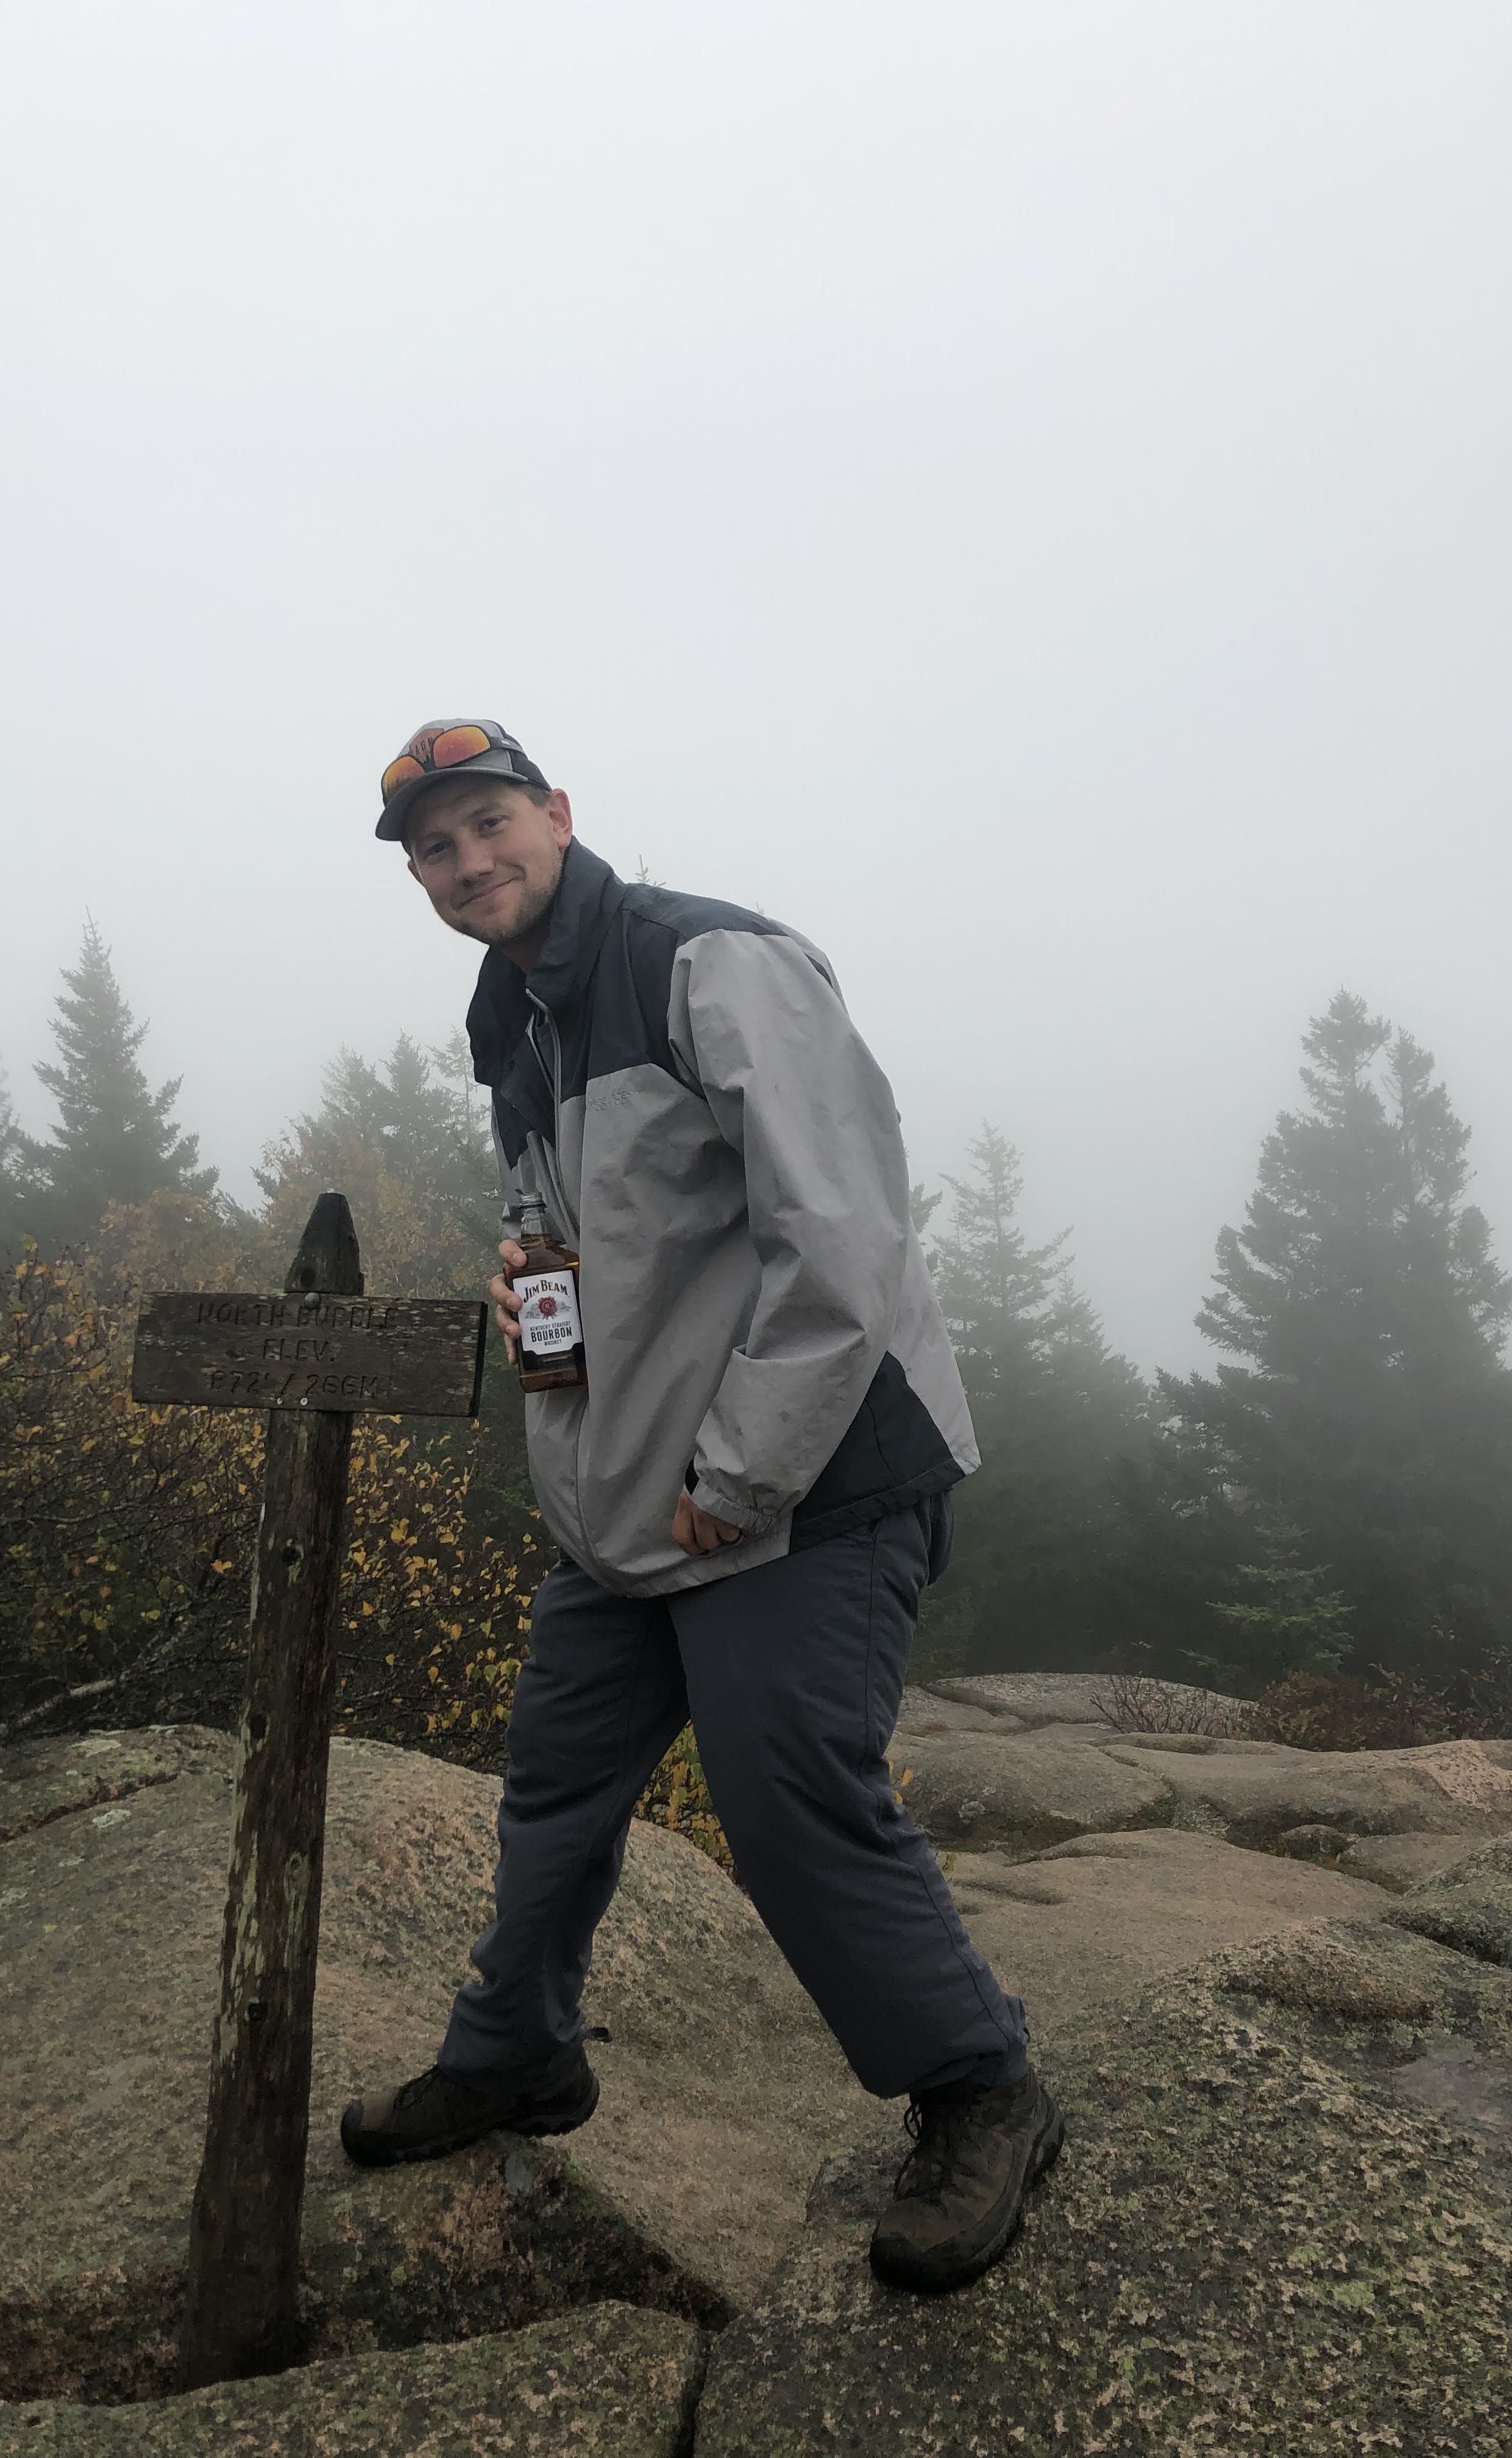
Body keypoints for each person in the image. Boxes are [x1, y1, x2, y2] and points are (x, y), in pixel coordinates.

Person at [339, 719, 1063, 2292]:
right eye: (435, 848)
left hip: (807, 1475)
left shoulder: (708, 963)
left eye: (489, 823)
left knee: (787, 1790)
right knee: (555, 1782)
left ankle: (981, 2085)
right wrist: (536, 1294)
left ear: (559, 814)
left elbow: (843, 1239)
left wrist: (738, 1476)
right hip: (636, 1492)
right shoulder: (515, 1020)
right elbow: (606, 1235)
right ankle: (515, 2054)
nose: (467, 861)